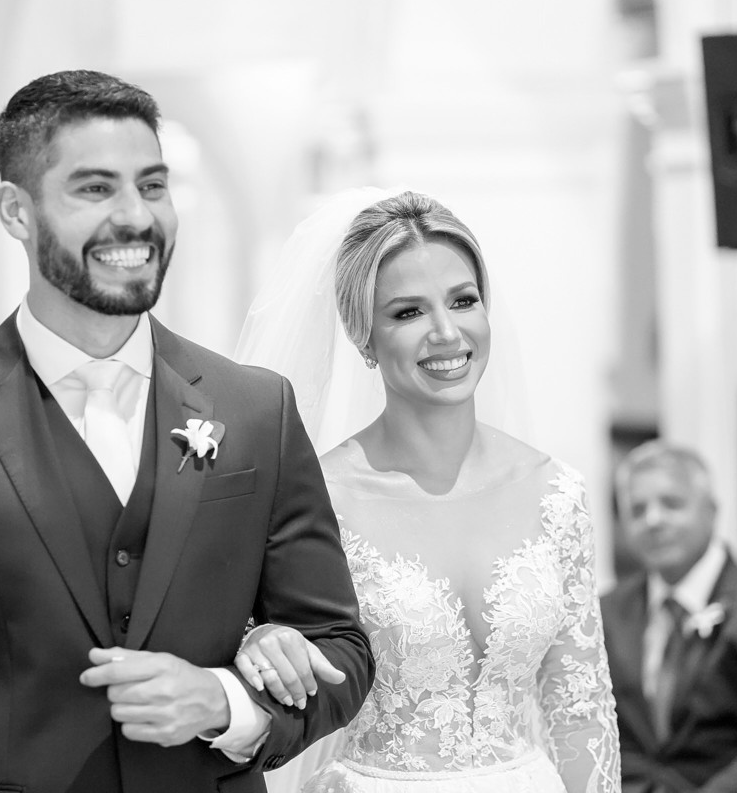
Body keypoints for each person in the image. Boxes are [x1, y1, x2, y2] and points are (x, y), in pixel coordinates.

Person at [0, 70, 373, 793]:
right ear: (16, 211)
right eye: (95, 188)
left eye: (152, 186)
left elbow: (340, 652)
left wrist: (227, 702)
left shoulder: (256, 410)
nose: (136, 217)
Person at [233, 190, 620, 792]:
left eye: (463, 301)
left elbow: (580, 710)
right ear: (363, 337)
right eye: (408, 312)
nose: (445, 332)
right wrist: (258, 641)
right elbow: (263, 654)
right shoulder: (318, 498)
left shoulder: (556, 492)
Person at [602, 440, 737, 793]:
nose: (653, 520)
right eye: (637, 510)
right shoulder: (606, 611)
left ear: (711, 510)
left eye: (672, 504)